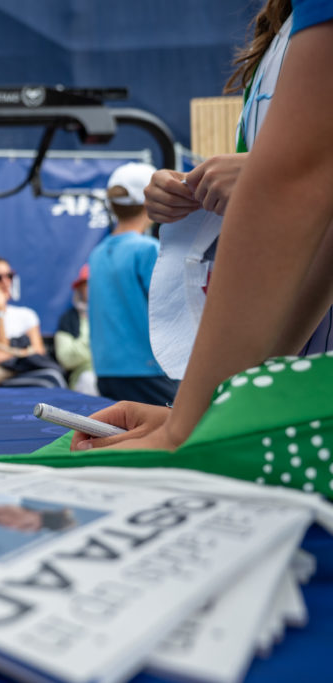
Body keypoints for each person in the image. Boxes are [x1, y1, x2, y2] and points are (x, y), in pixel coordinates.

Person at [74, 1, 333, 455]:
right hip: (284, 378)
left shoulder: (105, 252)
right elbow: (296, 208)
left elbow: (297, 184)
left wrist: (189, 425)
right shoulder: (279, 36)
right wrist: (207, 414)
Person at [144, 0, 332, 380]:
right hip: (280, 342)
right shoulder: (278, 37)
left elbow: (299, 177)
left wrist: (266, 176)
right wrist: (194, 193)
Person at [87, 162, 179, 405]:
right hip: (148, 370)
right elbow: (173, 310)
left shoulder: (97, 253)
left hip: (106, 370)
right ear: (151, 201)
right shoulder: (148, 250)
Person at [0, 256, 66, 389]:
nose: (6, 282)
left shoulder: (27, 314)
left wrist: (10, 355)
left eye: (9, 276)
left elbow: (38, 351)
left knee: (53, 378)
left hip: (27, 374)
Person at [54, 264, 97, 395]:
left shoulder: (117, 316)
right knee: (89, 380)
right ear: (80, 288)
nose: (94, 288)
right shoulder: (68, 319)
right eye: (88, 284)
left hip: (116, 377)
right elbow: (66, 359)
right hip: (84, 379)